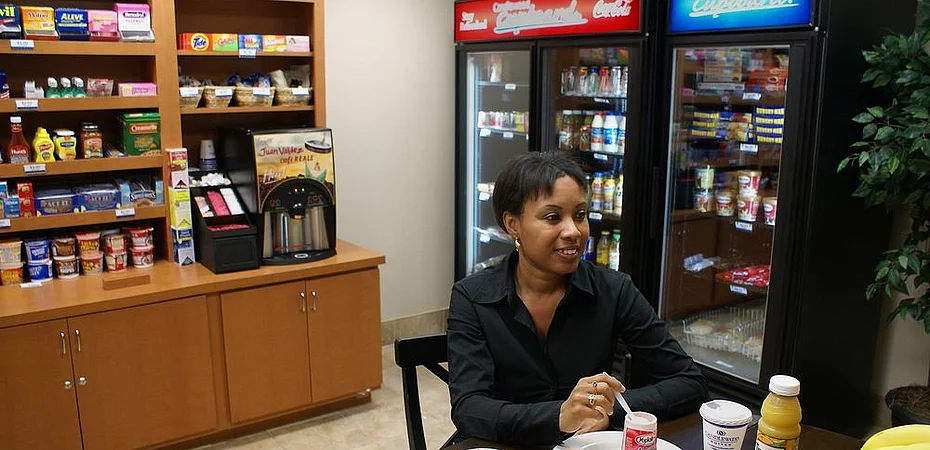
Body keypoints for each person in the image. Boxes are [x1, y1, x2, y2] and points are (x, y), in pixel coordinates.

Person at [447, 152, 707, 445]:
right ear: (512, 224)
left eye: (580, 215)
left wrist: (610, 407)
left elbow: (690, 382)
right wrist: (558, 416)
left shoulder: (614, 290)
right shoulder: (472, 298)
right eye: (552, 217)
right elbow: (469, 408)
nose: (574, 231)